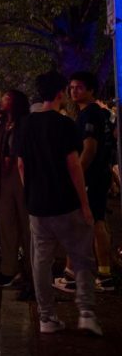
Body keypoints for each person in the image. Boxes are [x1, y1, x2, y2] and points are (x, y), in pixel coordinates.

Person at [15, 70, 101, 336]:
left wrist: (30, 193)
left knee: (41, 261)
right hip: (66, 203)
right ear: (60, 93)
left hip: (38, 206)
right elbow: (74, 166)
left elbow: (21, 165)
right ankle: (86, 313)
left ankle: (47, 318)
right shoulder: (65, 125)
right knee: (82, 257)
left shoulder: (25, 124)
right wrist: (85, 205)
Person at [57, 72, 116, 293]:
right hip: (99, 176)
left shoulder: (89, 115)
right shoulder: (97, 114)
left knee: (79, 225)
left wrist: (77, 176)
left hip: (90, 178)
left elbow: (89, 149)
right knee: (97, 223)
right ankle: (103, 273)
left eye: (79, 87)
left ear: (91, 90)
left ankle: (73, 275)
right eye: (71, 87)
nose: (74, 91)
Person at [0, 89, 31, 291]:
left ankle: (31, 271)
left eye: (7, 98)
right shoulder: (0, 124)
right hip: (4, 178)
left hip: (23, 178)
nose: (3, 100)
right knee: (6, 225)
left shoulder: (27, 123)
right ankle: (8, 270)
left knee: (28, 226)